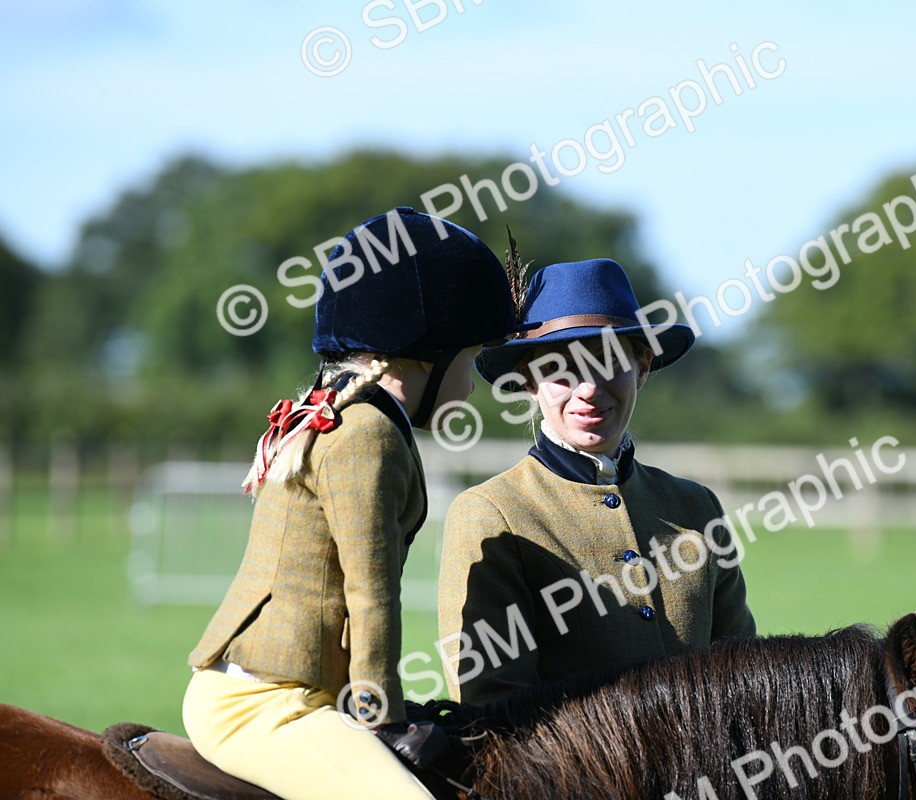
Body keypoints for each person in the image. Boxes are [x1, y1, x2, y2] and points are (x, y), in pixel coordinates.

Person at [183, 207, 520, 800]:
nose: (470, 388)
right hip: (268, 704)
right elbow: (371, 592)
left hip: (299, 690)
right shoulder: (367, 435)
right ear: (423, 357)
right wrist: (379, 712)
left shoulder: (345, 413)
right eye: (468, 362)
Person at [437, 258, 756, 706]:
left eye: (608, 361)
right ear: (530, 380)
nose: (587, 389)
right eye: (561, 367)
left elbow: (745, 678)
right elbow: (494, 708)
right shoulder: (491, 513)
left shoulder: (697, 508)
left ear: (642, 367)